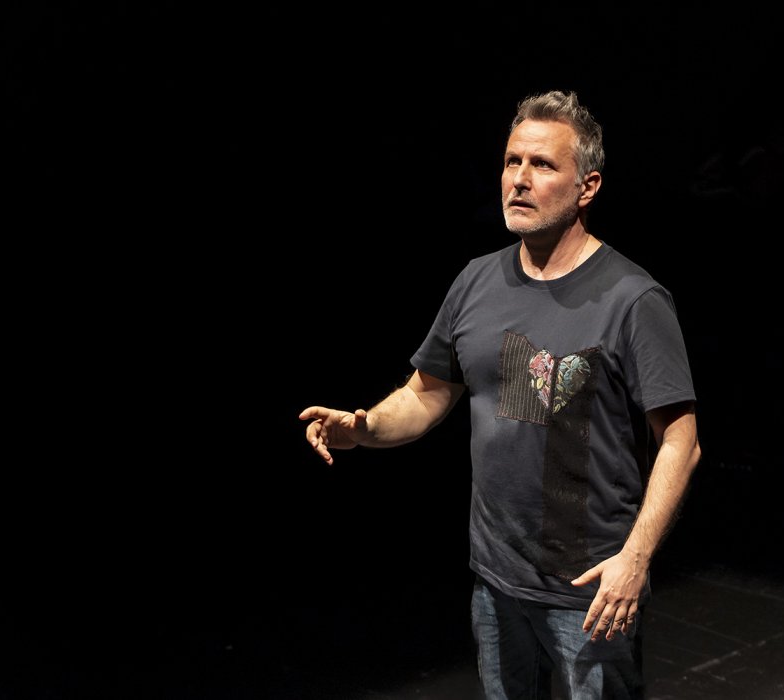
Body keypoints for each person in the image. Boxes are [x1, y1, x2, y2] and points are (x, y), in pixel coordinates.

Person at [299, 89, 702, 699]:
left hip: (590, 590)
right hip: (496, 581)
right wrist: (366, 428)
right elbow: (426, 392)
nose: (520, 178)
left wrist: (636, 559)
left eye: (542, 164)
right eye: (513, 161)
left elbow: (681, 442)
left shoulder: (633, 300)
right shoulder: (477, 281)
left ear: (587, 186)